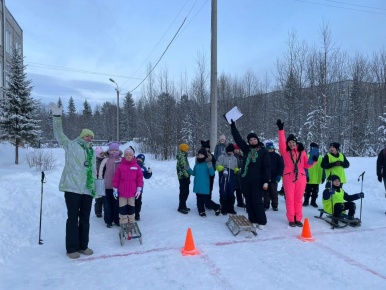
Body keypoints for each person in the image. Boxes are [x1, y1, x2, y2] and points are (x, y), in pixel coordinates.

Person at [49, 102, 96, 259]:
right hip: (73, 188)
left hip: (87, 189)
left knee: (85, 218)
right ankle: (72, 248)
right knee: (73, 217)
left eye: (91, 136)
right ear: (81, 136)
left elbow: (93, 171)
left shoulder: (92, 152)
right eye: (87, 135)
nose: (89, 138)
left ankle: (83, 246)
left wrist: (95, 188)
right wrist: (57, 117)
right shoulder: (71, 145)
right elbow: (59, 135)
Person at [276, 119, 316, 227]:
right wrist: (281, 130)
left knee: (298, 199)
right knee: (290, 199)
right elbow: (281, 142)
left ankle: (298, 218)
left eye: (293, 142)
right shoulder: (285, 152)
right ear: (287, 144)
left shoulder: (302, 152)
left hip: (301, 178)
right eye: (289, 143)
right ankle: (291, 219)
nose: (291, 144)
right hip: (289, 178)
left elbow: (306, 165)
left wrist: (314, 160)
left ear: (296, 142)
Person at [230, 120, 270, 230]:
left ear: (257, 140)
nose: (252, 141)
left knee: (257, 201)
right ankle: (252, 219)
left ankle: (261, 221)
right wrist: (233, 126)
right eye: (250, 140)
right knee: (248, 201)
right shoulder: (247, 149)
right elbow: (238, 139)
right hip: (246, 179)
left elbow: (267, 167)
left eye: (254, 139)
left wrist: (266, 180)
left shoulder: (263, 151)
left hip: (258, 180)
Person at [112, 147, 144, 233]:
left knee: (131, 208)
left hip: (132, 193)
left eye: (130, 155)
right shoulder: (120, 167)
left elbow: (140, 179)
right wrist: (115, 189)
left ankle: (131, 222)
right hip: (122, 193)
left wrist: (139, 189)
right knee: (122, 209)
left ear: (133, 156)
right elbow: (116, 179)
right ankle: (123, 223)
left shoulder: (136, 166)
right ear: (124, 156)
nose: (128, 156)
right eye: (127, 155)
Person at [187, 148, 221, 217]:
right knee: (199, 200)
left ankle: (217, 207)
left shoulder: (208, 164)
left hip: (204, 186)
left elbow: (212, 174)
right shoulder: (197, 164)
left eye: (201, 154)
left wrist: (210, 166)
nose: (199, 156)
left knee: (206, 201)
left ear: (204, 156)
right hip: (197, 185)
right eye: (199, 155)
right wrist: (188, 168)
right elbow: (194, 173)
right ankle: (201, 211)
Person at [99, 142, 122, 228]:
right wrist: (100, 181)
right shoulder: (105, 160)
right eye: (112, 150)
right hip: (106, 185)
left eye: (116, 150)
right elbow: (101, 170)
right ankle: (108, 220)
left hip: (118, 186)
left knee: (117, 204)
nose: (114, 151)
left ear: (118, 150)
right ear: (109, 150)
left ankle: (117, 220)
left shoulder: (121, 159)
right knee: (107, 204)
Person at [216, 143, 239, 215]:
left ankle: (230, 208)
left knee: (231, 192)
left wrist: (237, 170)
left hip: (231, 177)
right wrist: (222, 168)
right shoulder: (222, 157)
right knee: (223, 192)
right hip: (224, 177)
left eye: (231, 151)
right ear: (226, 150)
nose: (230, 152)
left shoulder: (234, 158)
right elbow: (217, 165)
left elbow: (235, 166)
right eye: (229, 151)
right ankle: (224, 208)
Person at [304, 142, 325, 208]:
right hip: (309, 178)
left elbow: (323, 169)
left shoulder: (321, 158)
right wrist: (306, 176)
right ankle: (306, 201)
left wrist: (323, 177)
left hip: (317, 179)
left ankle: (313, 202)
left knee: (315, 192)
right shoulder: (307, 157)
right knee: (307, 191)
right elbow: (305, 168)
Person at [264, 142, 284, 211]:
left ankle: (275, 205)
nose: (271, 150)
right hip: (266, 178)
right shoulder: (264, 156)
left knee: (274, 192)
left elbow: (281, 166)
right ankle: (266, 205)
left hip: (274, 177)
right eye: (269, 149)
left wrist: (279, 175)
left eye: (272, 149)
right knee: (266, 193)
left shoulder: (277, 156)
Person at [135, 153, 153, 221]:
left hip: (139, 188)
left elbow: (146, 176)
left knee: (138, 201)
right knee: (131, 201)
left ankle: (137, 214)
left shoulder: (143, 168)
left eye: (141, 159)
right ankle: (131, 213)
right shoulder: (134, 165)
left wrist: (149, 173)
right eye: (138, 158)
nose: (139, 160)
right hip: (132, 186)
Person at [176, 143, 191, 214]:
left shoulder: (183, 155)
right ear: (184, 150)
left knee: (184, 191)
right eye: (187, 149)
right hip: (183, 177)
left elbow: (186, 166)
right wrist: (187, 176)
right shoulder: (182, 157)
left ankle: (183, 206)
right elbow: (184, 167)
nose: (188, 150)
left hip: (182, 176)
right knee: (184, 192)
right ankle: (181, 207)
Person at [94, 146, 105, 218]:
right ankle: (98, 212)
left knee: (105, 197)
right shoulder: (95, 161)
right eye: (100, 153)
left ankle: (105, 208)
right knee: (98, 197)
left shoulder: (106, 160)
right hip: (98, 180)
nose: (102, 155)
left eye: (103, 153)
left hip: (105, 180)